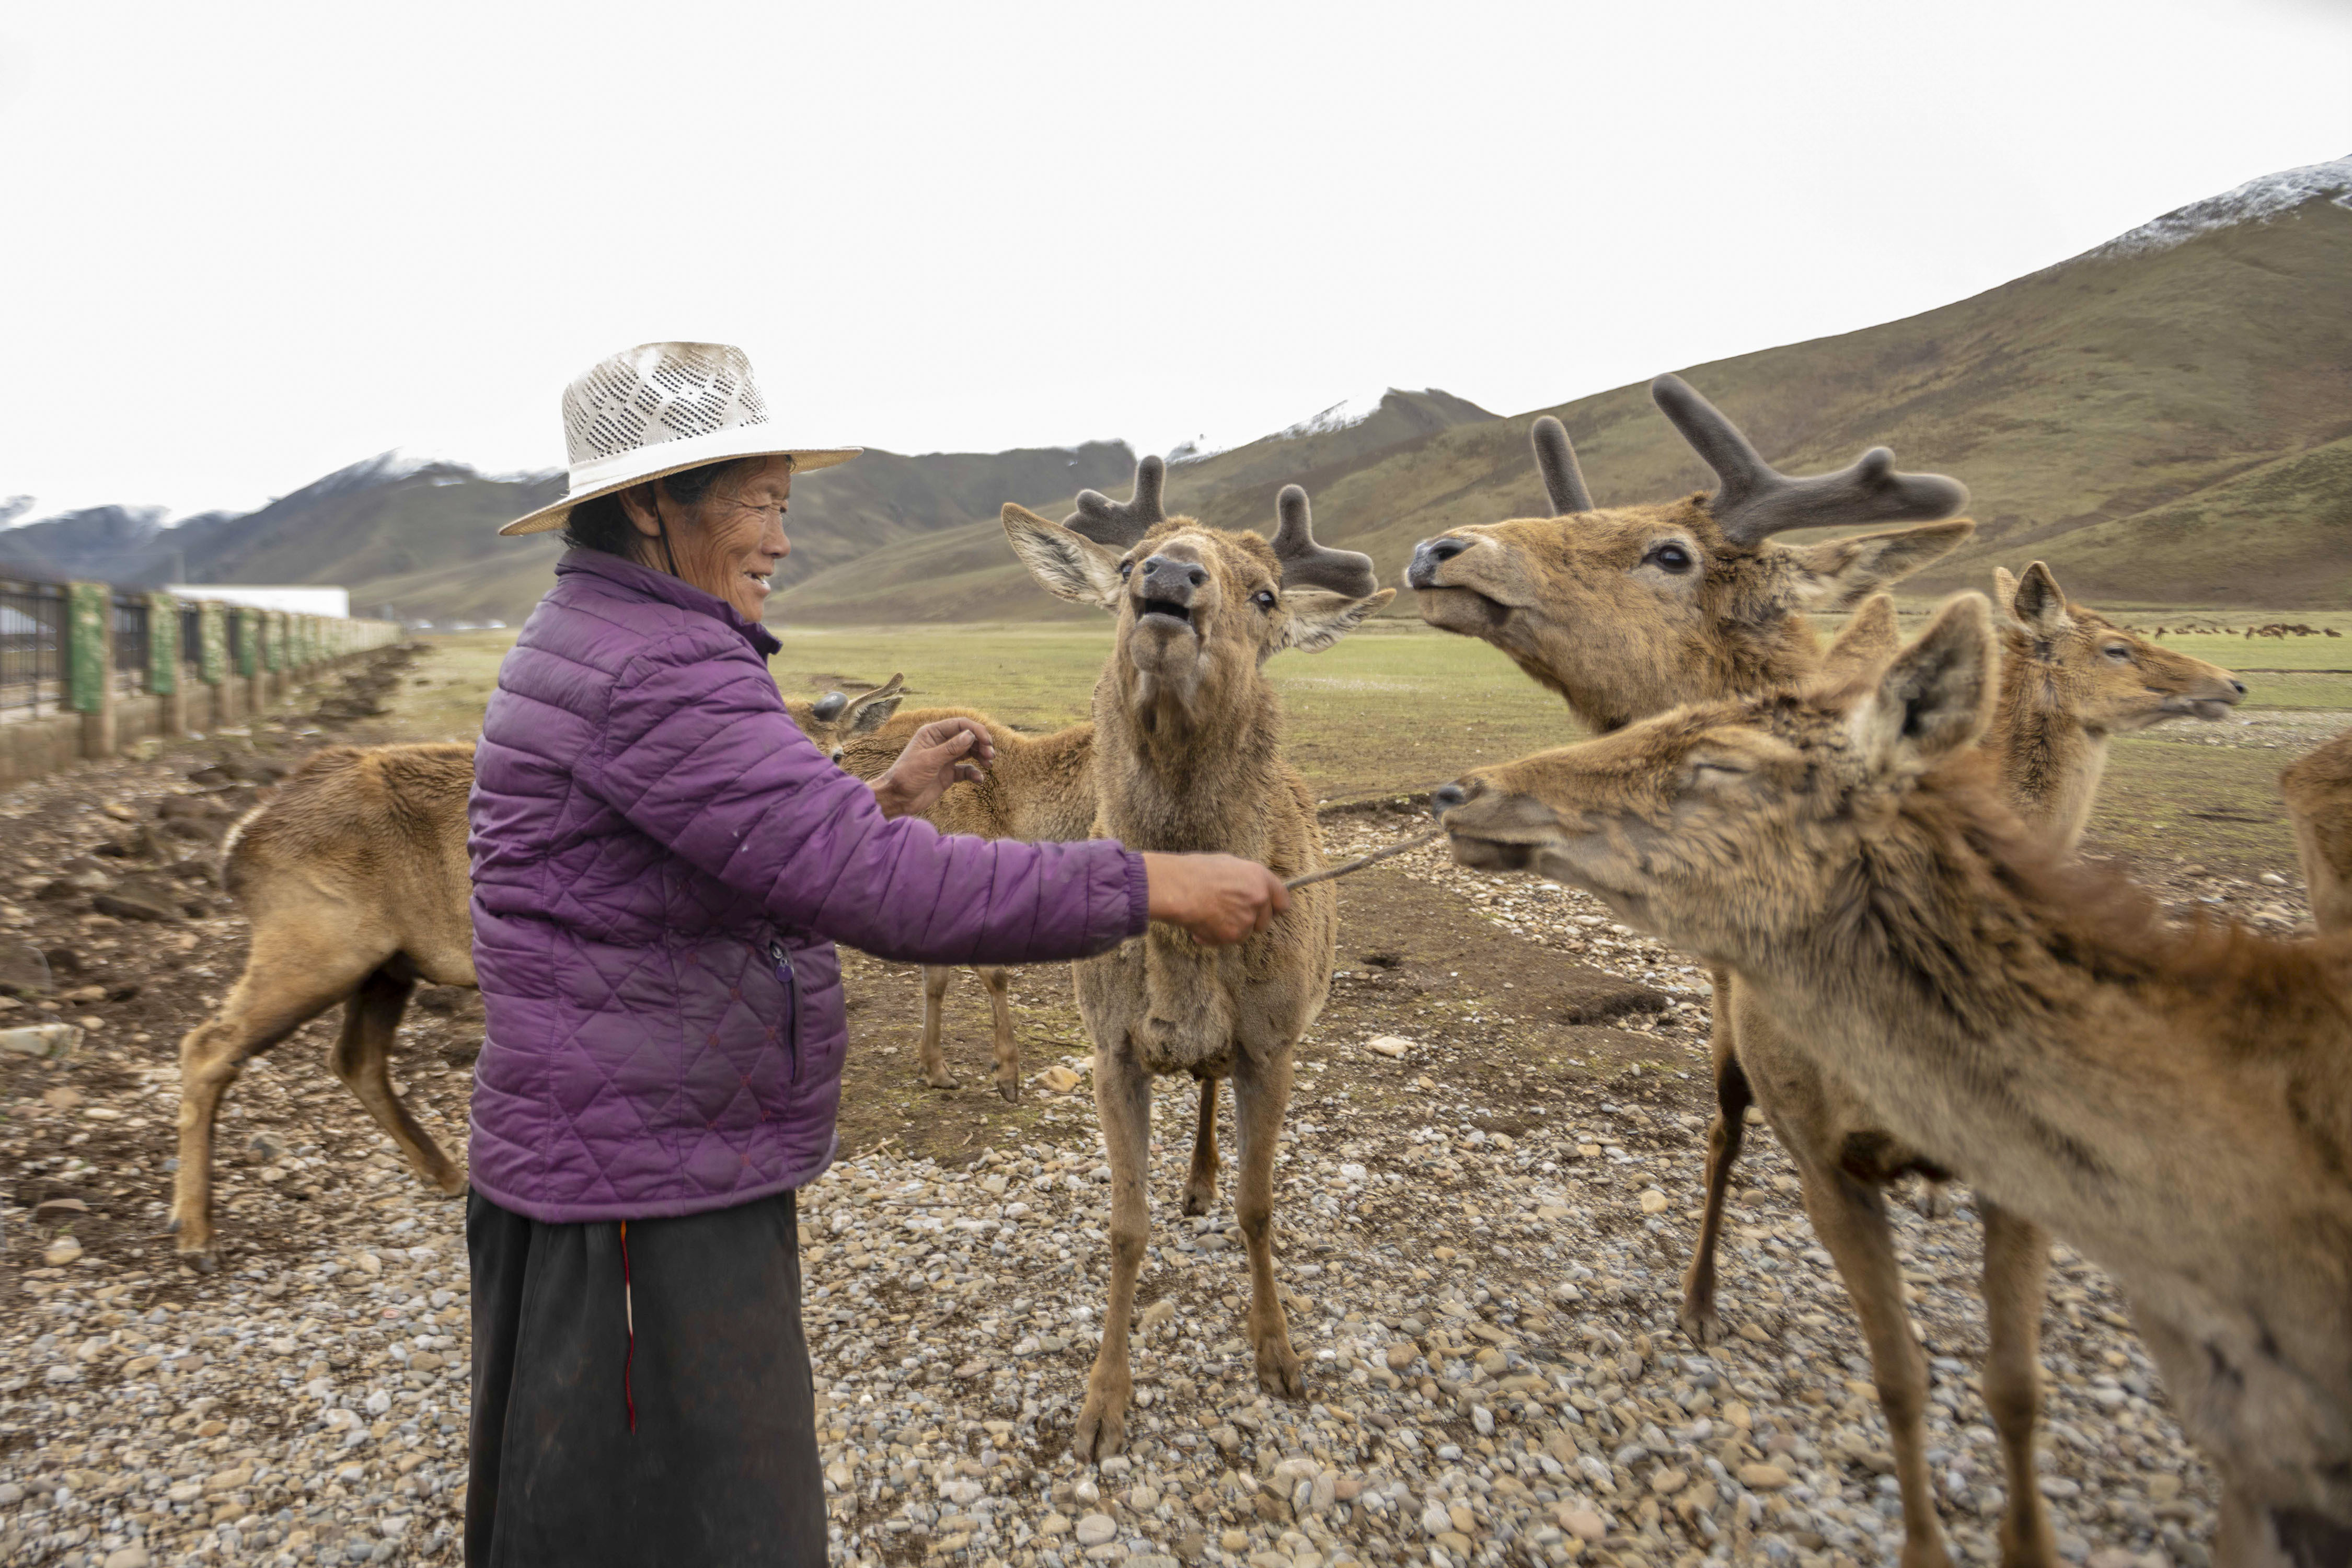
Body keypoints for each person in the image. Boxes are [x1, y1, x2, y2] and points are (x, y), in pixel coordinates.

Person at [463, 342, 1286, 1566]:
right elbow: (880, 893)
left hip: (621, 1146)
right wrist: (1151, 882)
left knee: (595, 1508)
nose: (781, 539)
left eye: (785, 505)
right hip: (645, 1188)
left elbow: (744, 847)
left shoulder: (600, 635)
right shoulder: (661, 669)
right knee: (705, 1525)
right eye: (758, 502)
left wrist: (883, 791)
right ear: (648, 505)